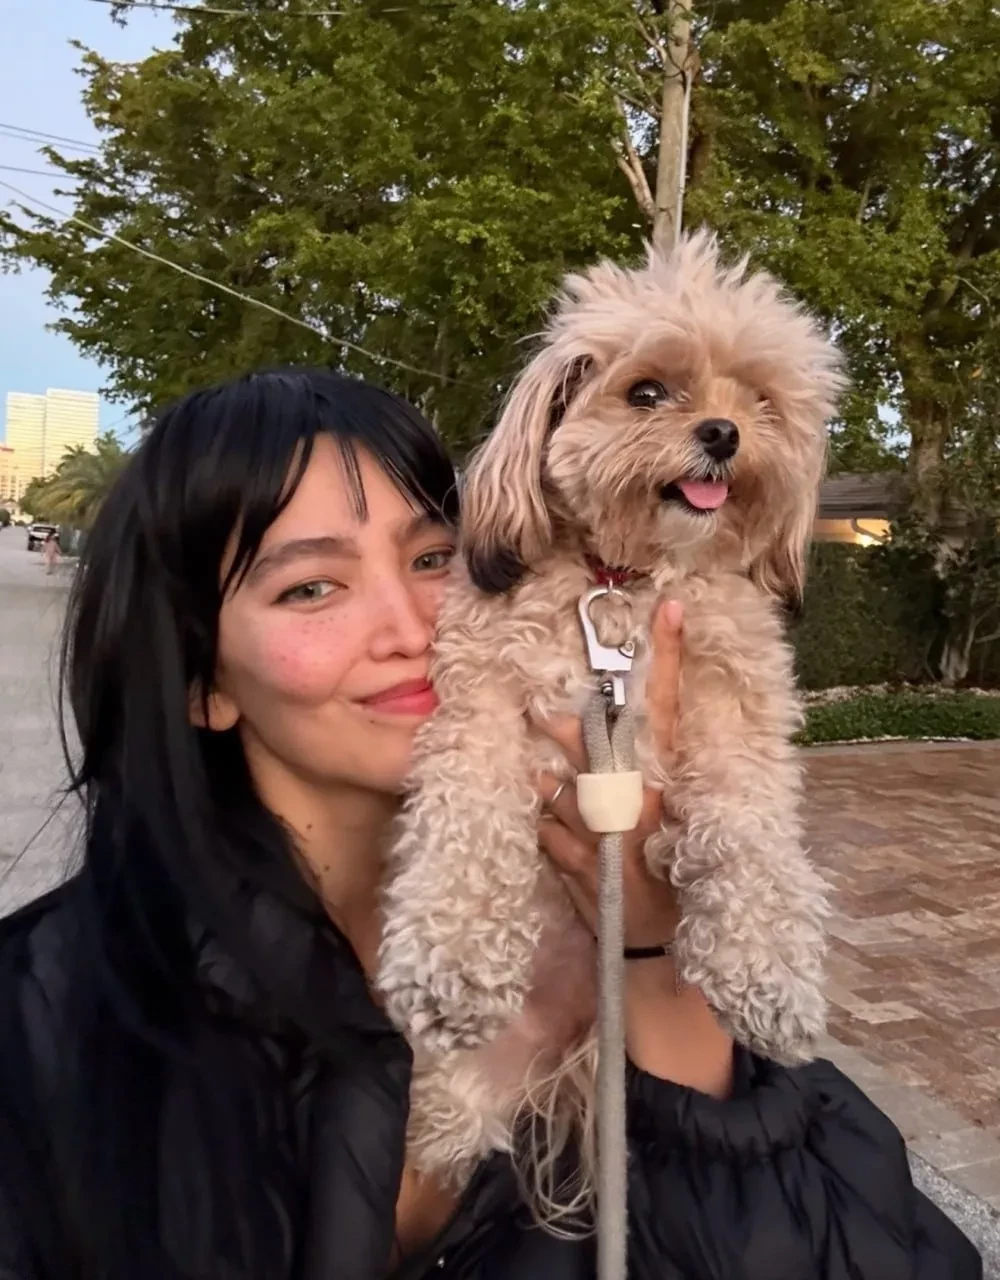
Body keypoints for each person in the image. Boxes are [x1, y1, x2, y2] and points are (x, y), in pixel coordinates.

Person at [0, 368, 979, 1280]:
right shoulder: (47, 1028)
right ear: (201, 681)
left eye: (434, 557)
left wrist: (647, 954)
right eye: (311, 587)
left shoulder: (656, 922)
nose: (411, 627)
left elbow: (841, 1249)